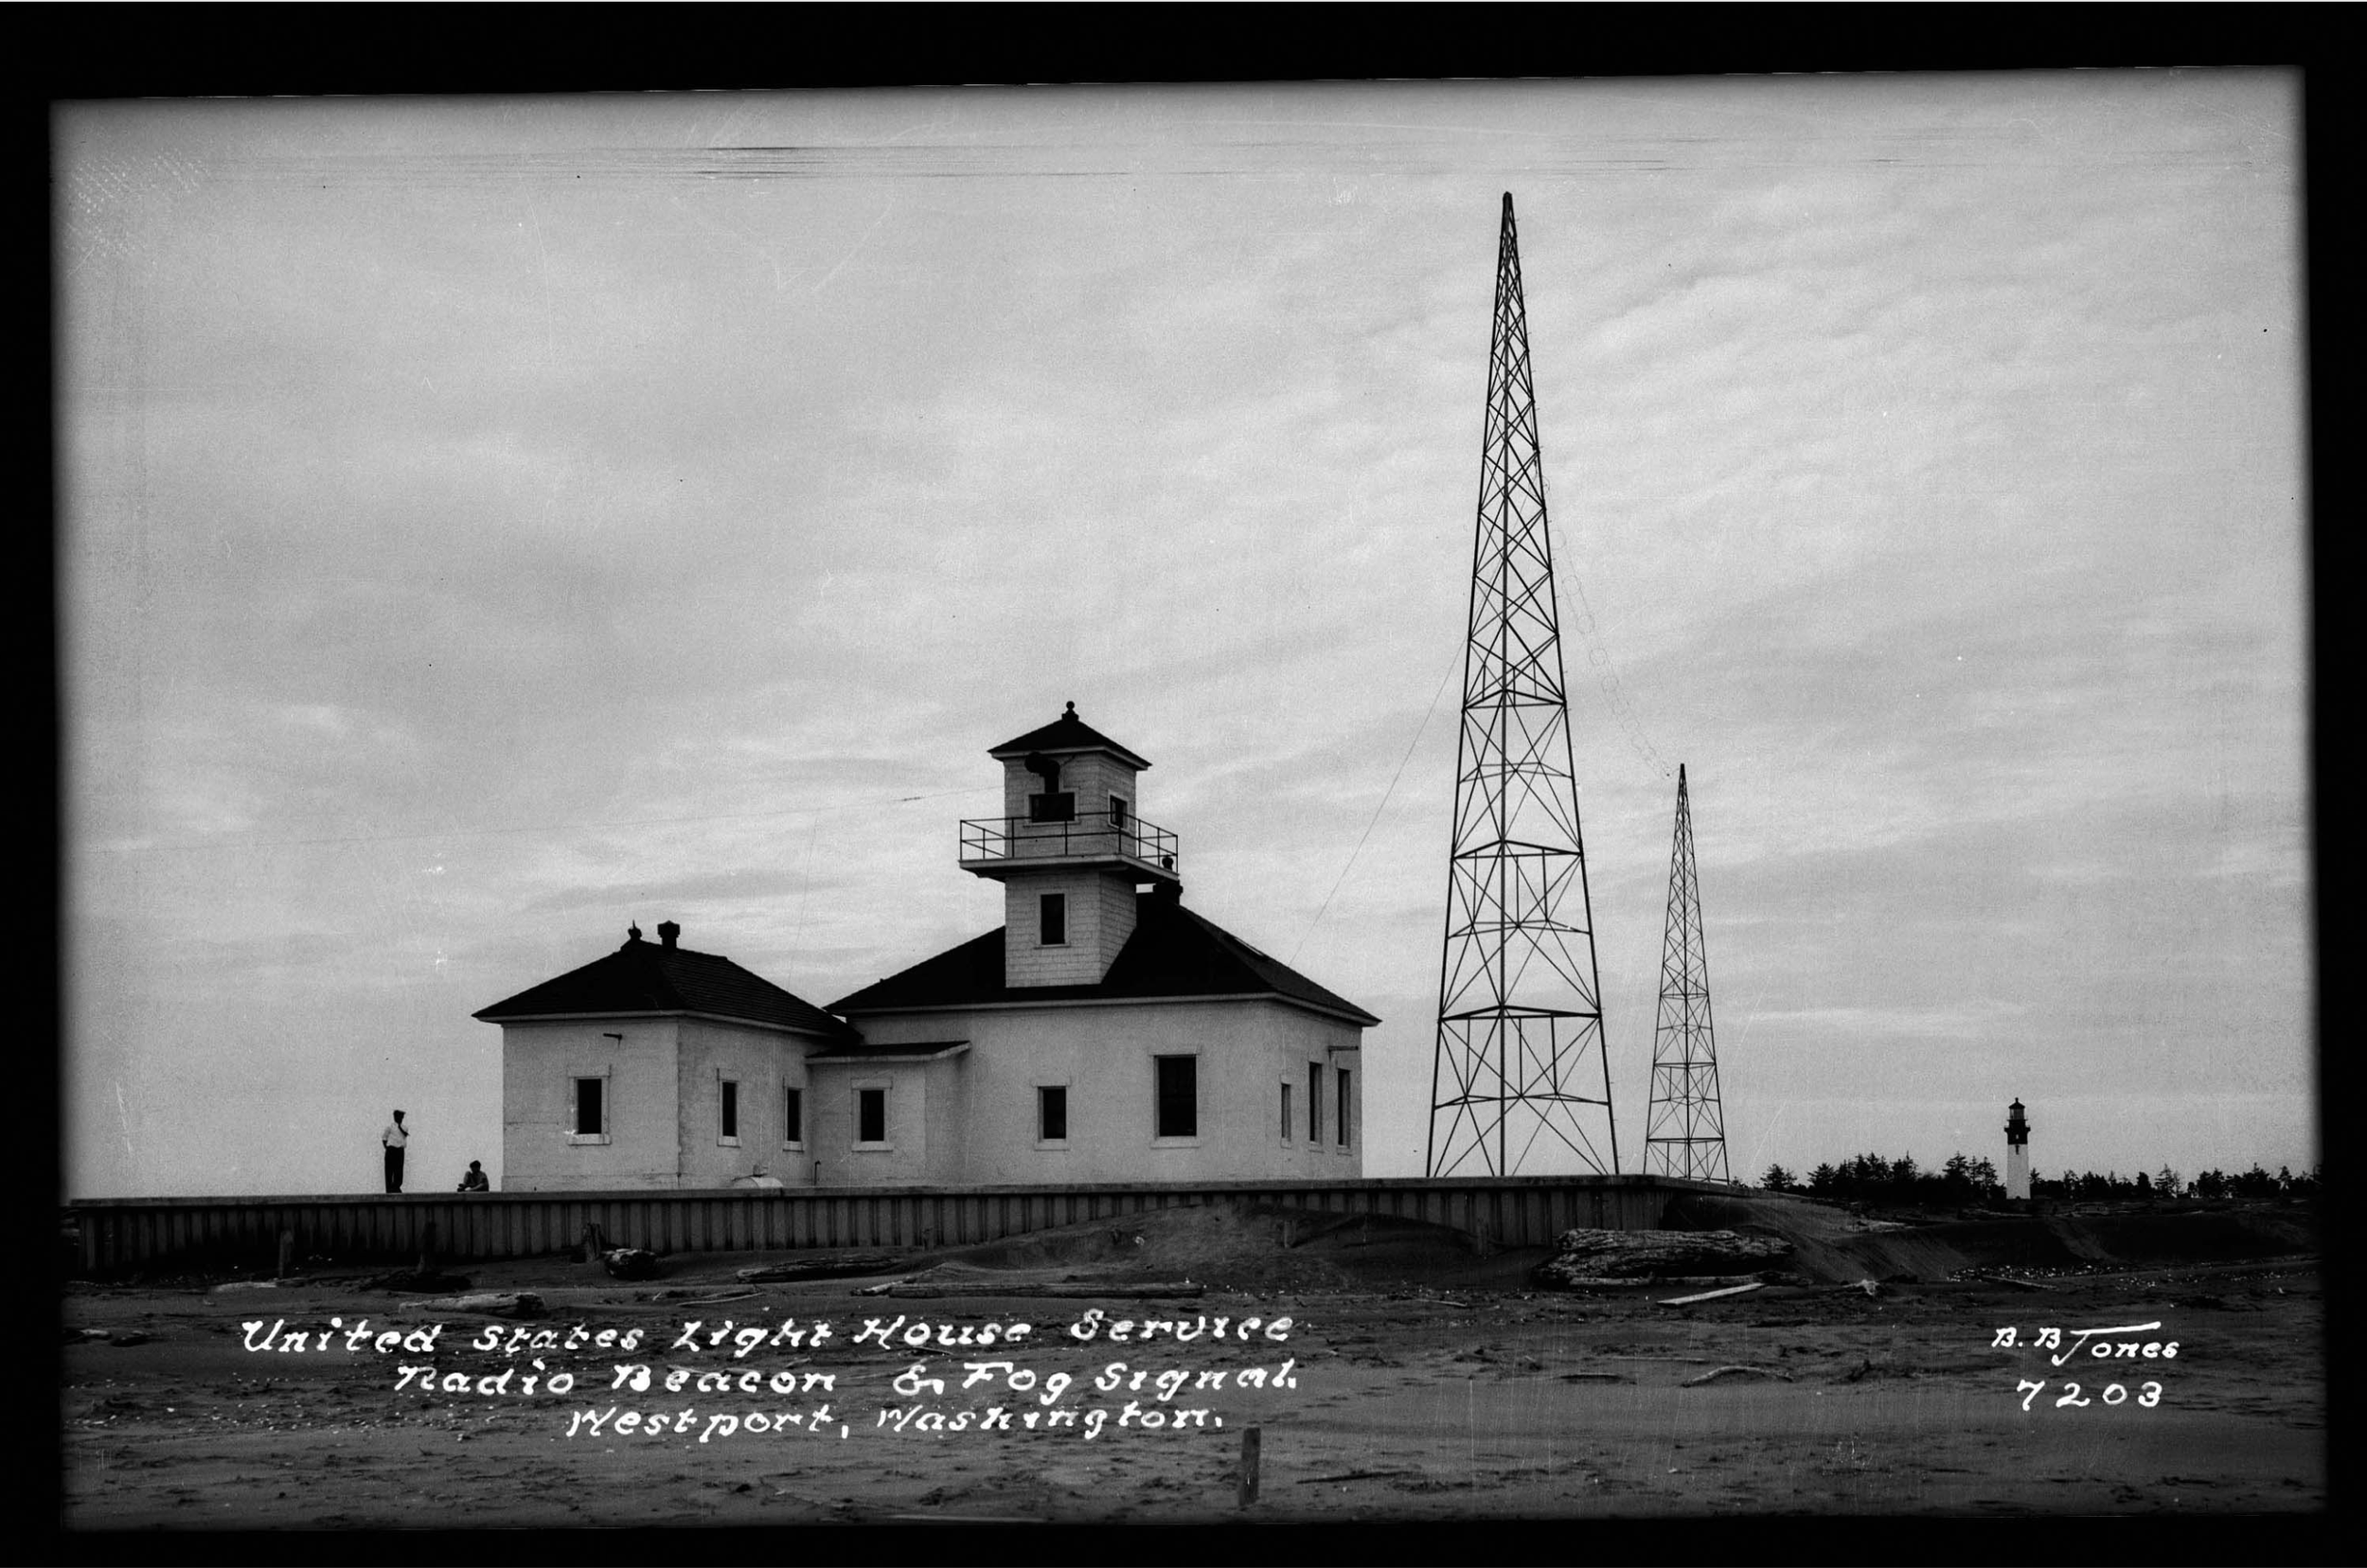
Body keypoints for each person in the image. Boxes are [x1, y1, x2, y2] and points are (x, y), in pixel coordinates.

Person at [382, 1110, 409, 1193]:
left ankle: (396, 1187)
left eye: (401, 1117)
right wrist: (388, 1148)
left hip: (400, 1150)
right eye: (397, 1116)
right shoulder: (389, 1127)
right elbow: (384, 1138)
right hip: (391, 1149)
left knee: (399, 1170)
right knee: (389, 1171)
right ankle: (389, 1190)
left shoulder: (405, 1128)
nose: (399, 1118)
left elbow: (404, 1136)